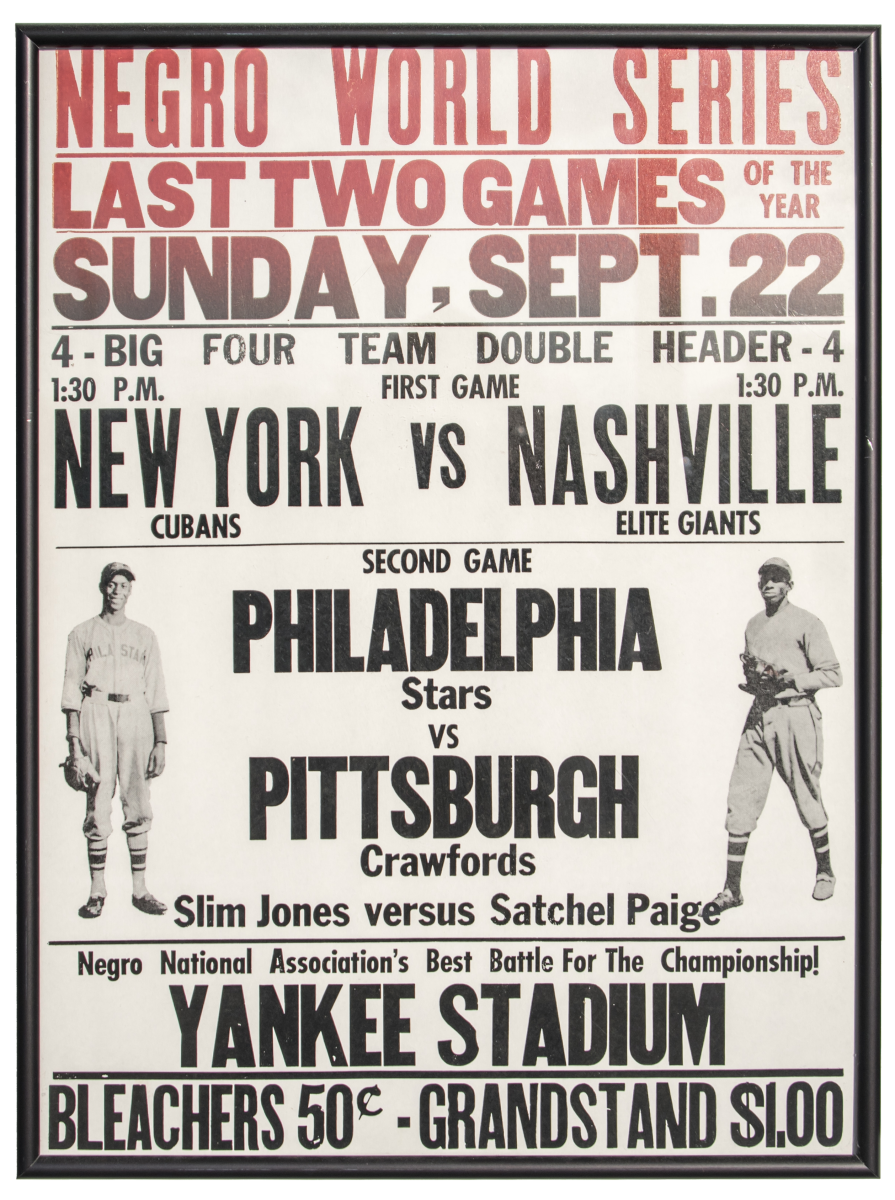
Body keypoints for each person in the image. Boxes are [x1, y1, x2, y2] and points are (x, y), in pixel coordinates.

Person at [707, 558, 842, 914]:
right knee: (740, 796)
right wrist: (755, 677)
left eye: (777, 578)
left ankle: (825, 871)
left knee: (807, 794)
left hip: (795, 713)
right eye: (764, 578)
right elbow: (755, 671)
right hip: (759, 712)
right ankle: (731, 889)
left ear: (789, 585)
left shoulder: (807, 622)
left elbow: (832, 673)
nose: (769, 584)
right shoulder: (752, 625)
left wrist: (791, 678)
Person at [62, 563, 169, 918]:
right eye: (112, 584)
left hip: (135, 713)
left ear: (129, 591)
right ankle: (97, 890)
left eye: (123, 585)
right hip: (96, 709)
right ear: (102, 588)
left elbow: (155, 693)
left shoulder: (144, 635)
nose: (117, 591)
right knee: (97, 796)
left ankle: (139, 890)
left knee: (137, 797)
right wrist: (73, 745)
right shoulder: (82, 633)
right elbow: (71, 694)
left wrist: (161, 743)